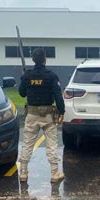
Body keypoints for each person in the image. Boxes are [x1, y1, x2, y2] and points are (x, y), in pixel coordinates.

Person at [18, 48, 65, 184]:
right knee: (52, 144)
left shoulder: (27, 76)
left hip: (32, 115)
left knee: (27, 144)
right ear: (45, 60)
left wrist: (23, 78)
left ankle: (23, 173)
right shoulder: (51, 76)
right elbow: (57, 96)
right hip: (48, 116)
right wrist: (61, 111)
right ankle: (55, 173)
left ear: (33, 59)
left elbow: (21, 94)